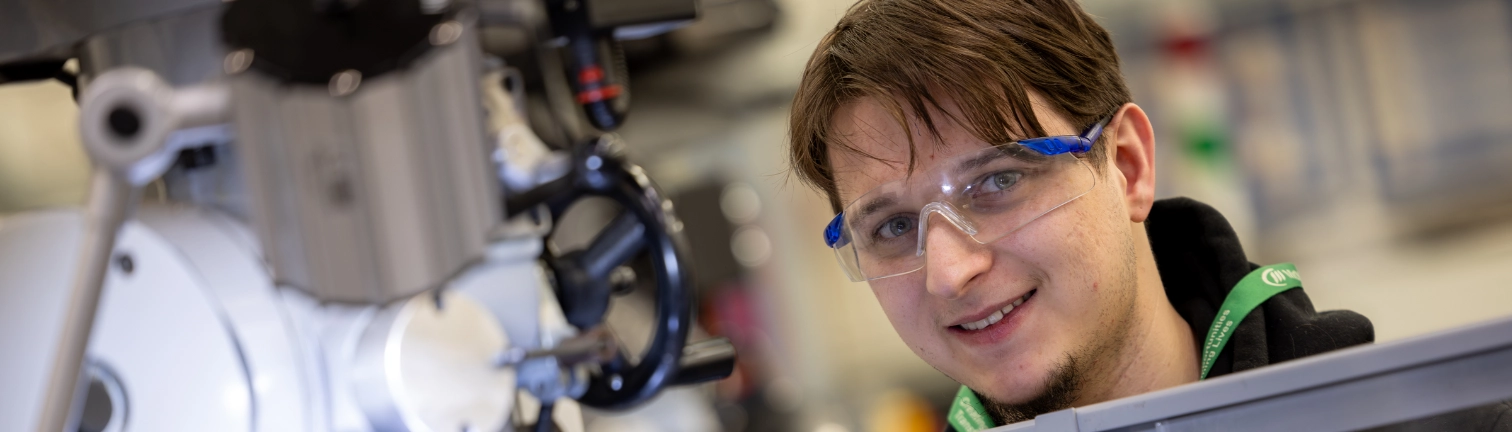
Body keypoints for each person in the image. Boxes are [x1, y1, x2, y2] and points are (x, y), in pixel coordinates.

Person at [784, 0, 1382, 429]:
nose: (948, 272)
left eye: (997, 181)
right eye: (893, 226)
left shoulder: (1403, 416)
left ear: (1127, 165)